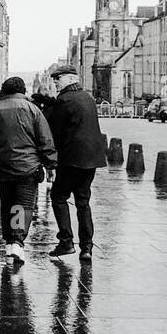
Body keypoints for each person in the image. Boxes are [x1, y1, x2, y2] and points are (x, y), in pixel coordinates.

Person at [0, 76, 57, 264]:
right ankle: (16, 242)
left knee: (6, 203)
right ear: (22, 90)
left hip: (2, 165)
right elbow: (45, 139)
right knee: (22, 204)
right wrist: (50, 163)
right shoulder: (33, 110)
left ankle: (9, 242)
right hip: (27, 167)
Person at [46, 63, 108, 262]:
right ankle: (87, 247)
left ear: (72, 78)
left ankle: (66, 242)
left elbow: (55, 133)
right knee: (83, 202)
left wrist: (50, 162)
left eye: (59, 78)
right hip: (91, 160)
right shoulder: (88, 98)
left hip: (71, 159)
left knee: (58, 196)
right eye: (54, 79)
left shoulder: (64, 100)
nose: (55, 81)